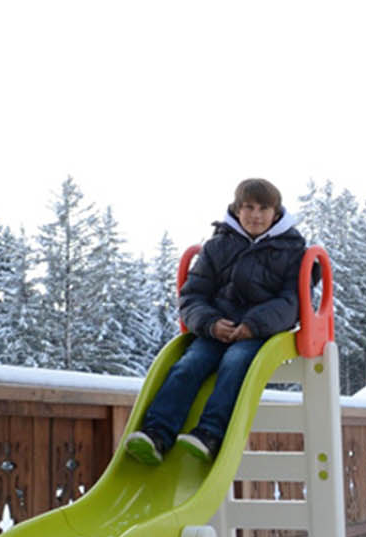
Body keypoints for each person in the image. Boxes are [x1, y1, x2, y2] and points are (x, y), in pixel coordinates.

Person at [123, 177, 306, 466]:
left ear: (276, 213)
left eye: (263, 208)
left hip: (259, 333)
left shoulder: (293, 250)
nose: (255, 215)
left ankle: (209, 434)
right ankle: (157, 433)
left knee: (234, 364)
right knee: (188, 365)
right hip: (215, 329)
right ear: (236, 209)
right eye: (248, 207)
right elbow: (193, 294)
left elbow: (292, 301)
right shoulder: (217, 246)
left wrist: (253, 325)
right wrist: (209, 323)